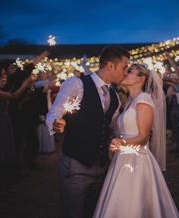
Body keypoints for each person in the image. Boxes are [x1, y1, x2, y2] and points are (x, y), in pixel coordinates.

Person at [46, 46, 130, 218]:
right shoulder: (76, 84)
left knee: (96, 213)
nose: (126, 72)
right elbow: (55, 112)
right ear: (110, 66)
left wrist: (131, 138)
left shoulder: (114, 96)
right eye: (124, 67)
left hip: (102, 166)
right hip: (76, 165)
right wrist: (56, 123)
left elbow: (112, 127)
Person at [93, 64, 179, 218]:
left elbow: (143, 137)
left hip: (136, 160)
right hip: (122, 157)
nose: (125, 73)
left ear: (141, 77)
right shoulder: (129, 102)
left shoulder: (144, 100)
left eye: (130, 71)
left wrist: (121, 142)